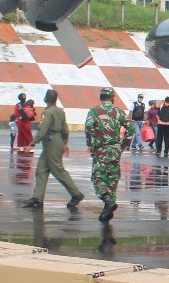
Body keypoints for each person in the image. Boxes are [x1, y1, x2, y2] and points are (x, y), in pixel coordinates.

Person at [20, 89, 83, 209]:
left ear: (46, 99)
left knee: (58, 170)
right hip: (57, 141)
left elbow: (43, 129)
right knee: (41, 169)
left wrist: (32, 144)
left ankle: (76, 194)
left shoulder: (47, 113)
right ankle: (37, 198)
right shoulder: (60, 112)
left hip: (51, 142)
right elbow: (65, 129)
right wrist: (64, 143)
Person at [84, 87, 132, 222]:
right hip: (115, 149)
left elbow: (88, 126)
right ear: (112, 98)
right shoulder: (119, 111)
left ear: (101, 97)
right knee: (113, 177)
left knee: (98, 177)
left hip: (101, 149)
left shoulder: (94, 111)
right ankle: (108, 210)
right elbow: (131, 128)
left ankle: (106, 200)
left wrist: (91, 143)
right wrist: (124, 145)